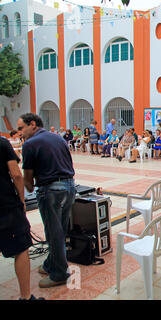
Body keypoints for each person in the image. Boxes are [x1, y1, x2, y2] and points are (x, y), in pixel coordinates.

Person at [18, 113, 76, 288]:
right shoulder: (57, 138)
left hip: (50, 190)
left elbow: (27, 180)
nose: (19, 132)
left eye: (21, 128)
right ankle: (51, 264)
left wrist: (25, 190)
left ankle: (59, 273)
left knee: (53, 232)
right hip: (69, 187)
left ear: (33, 124)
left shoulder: (29, 144)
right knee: (59, 230)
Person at [0, 137, 44, 300]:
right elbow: (16, 175)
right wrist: (21, 200)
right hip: (6, 206)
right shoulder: (2, 143)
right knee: (21, 249)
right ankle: (25, 297)